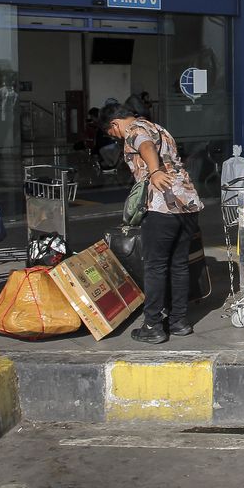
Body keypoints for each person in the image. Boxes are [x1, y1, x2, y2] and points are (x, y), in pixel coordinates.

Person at [101, 102, 204, 344]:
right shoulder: (159, 128)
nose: (115, 137)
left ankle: (153, 325)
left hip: (162, 206)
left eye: (111, 132)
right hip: (188, 203)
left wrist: (155, 171)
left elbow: (145, 146)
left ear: (114, 124)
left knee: (156, 266)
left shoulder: (134, 130)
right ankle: (179, 321)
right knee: (178, 264)